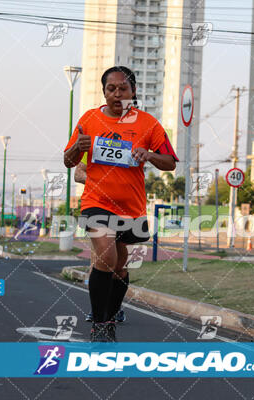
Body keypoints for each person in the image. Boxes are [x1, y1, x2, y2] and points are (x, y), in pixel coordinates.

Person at [64, 66, 178, 341]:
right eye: (111, 89)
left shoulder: (148, 124)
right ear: (104, 92)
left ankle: (111, 318)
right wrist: (78, 148)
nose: (116, 94)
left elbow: (171, 163)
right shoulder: (88, 119)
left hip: (131, 206)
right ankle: (99, 324)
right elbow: (68, 161)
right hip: (96, 200)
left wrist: (149, 154)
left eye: (122, 88)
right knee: (105, 255)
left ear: (133, 91)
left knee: (120, 265)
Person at [76, 156, 126, 324]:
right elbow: (78, 174)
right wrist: (99, 182)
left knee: (119, 262)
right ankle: (97, 311)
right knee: (100, 258)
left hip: (124, 208)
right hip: (97, 206)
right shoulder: (96, 144)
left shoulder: (131, 143)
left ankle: (113, 309)